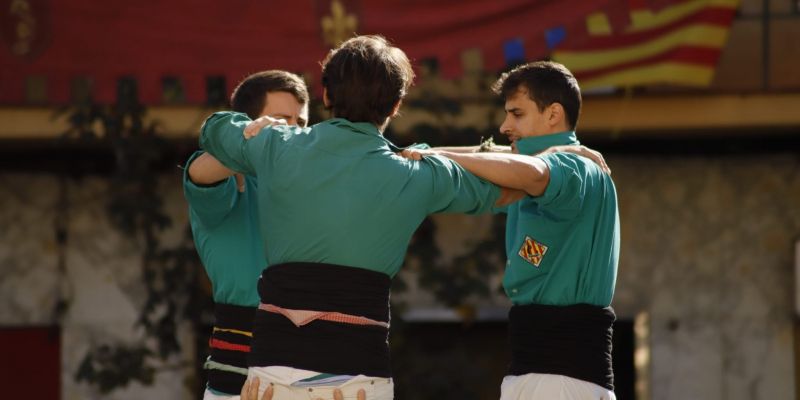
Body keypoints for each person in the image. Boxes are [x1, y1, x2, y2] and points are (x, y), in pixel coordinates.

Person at [198, 35, 521, 400]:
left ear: (325, 96)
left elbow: (213, 130)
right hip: (358, 377)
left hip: (272, 372)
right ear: (396, 105)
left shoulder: (276, 145)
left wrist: (253, 126)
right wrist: (556, 155)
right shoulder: (418, 173)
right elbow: (508, 186)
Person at [401, 61, 619, 400]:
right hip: (535, 373)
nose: (504, 126)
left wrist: (435, 155)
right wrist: (424, 155)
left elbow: (532, 173)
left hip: (564, 378)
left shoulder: (577, 165)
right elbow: (500, 160)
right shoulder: (547, 160)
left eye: (517, 114)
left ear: (553, 115)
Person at [183, 70, 309, 399]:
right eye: (281, 120)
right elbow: (199, 173)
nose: (293, 131)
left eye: (301, 123)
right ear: (249, 124)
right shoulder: (228, 175)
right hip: (239, 379)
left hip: (311, 373)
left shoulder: (306, 185)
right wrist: (247, 146)